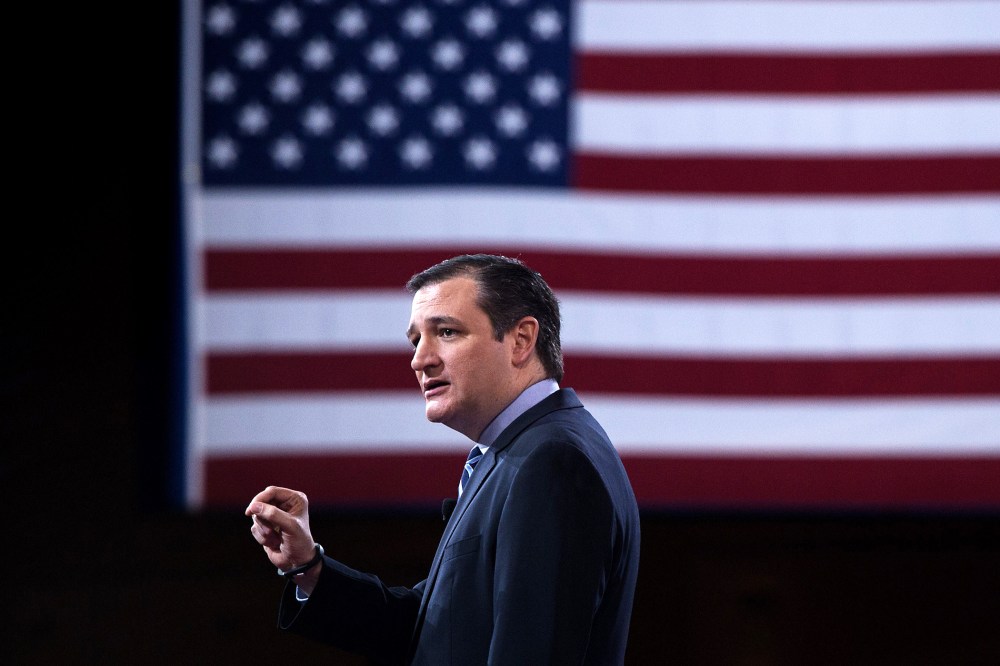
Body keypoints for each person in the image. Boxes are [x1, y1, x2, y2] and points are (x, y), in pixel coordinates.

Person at [246, 254, 641, 665]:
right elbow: (437, 627)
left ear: (521, 340)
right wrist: (309, 568)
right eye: (416, 340)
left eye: (447, 332)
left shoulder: (552, 462)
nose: (420, 359)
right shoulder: (515, 454)